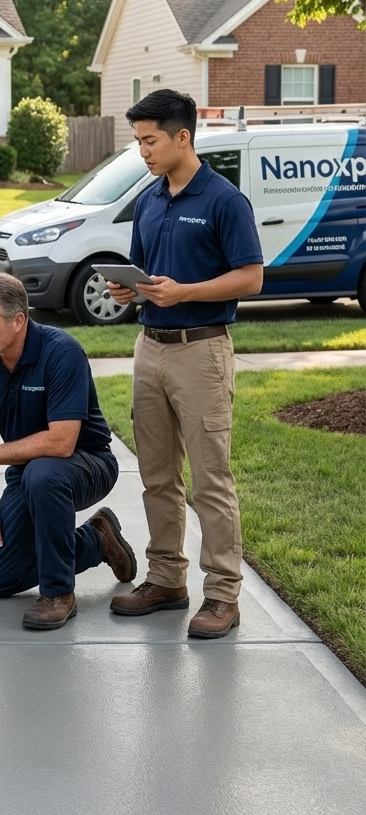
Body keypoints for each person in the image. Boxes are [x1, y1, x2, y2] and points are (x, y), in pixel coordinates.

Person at [107, 89, 263, 639]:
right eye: (138, 142)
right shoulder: (150, 200)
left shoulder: (224, 200)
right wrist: (131, 291)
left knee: (209, 480)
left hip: (202, 350)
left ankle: (222, 595)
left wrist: (186, 292)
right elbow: (145, 272)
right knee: (157, 475)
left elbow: (251, 277)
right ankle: (166, 579)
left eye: (150, 141)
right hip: (150, 348)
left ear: (183, 137)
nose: (143, 151)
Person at [0, 274, 137, 630]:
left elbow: (62, 442)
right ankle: (97, 540)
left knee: (44, 473)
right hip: (28, 472)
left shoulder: (61, 352)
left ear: (18, 321)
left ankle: (58, 594)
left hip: (87, 463)